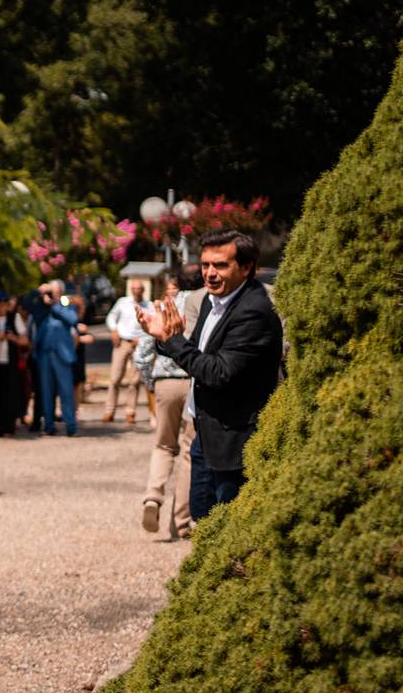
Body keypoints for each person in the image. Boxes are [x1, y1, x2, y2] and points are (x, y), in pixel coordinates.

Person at [139, 229, 282, 523]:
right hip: (206, 432)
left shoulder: (252, 311)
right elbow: (198, 353)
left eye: (220, 265)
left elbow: (218, 372)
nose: (210, 274)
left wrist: (173, 340)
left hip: (236, 440)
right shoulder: (212, 300)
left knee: (229, 527)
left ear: (246, 267)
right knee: (203, 518)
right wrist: (165, 338)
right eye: (206, 265)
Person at [135, 271, 199, 539]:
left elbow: (142, 355)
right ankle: (181, 521)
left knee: (163, 445)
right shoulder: (201, 303)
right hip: (193, 379)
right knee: (188, 451)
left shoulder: (158, 307)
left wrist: (151, 383)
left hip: (165, 382)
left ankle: (153, 497)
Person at [26, 281, 80, 436]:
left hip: (62, 354)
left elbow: (73, 318)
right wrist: (38, 292)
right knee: (46, 391)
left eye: (55, 291)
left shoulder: (64, 303)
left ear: (61, 292)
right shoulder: (41, 306)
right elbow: (27, 305)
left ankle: (71, 425)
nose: (52, 294)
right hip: (44, 354)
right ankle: (48, 425)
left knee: (66, 391)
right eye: (51, 292)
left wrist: (55, 304)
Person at [103, 279, 154, 424]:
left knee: (134, 381)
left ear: (143, 290)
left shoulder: (148, 306)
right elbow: (111, 317)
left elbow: (151, 325)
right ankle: (109, 410)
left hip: (139, 344)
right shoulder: (122, 302)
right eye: (134, 289)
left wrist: (142, 337)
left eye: (139, 289)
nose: (136, 291)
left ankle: (130, 412)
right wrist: (114, 330)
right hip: (122, 342)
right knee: (115, 378)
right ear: (131, 290)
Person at [0, 293, 30, 437]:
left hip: (10, 363)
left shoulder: (15, 318)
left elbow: (25, 340)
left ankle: (7, 427)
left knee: (10, 395)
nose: (2, 306)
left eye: (4, 303)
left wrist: (12, 338)